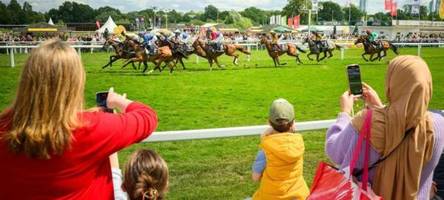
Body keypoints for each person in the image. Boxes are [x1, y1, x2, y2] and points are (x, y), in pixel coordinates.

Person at [0, 39, 158, 199]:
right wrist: (117, 100)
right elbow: (147, 117)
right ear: (75, 82)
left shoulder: (4, 126)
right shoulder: (92, 128)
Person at [325, 55, 444, 200]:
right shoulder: (438, 124)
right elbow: (404, 128)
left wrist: (344, 113)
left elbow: (334, 151)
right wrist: (380, 107)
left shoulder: (368, 122)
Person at [251, 98, 309, 200]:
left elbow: (255, 177)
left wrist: (264, 138)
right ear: (293, 123)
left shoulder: (265, 150)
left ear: (269, 122)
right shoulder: (298, 144)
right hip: (299, 196)